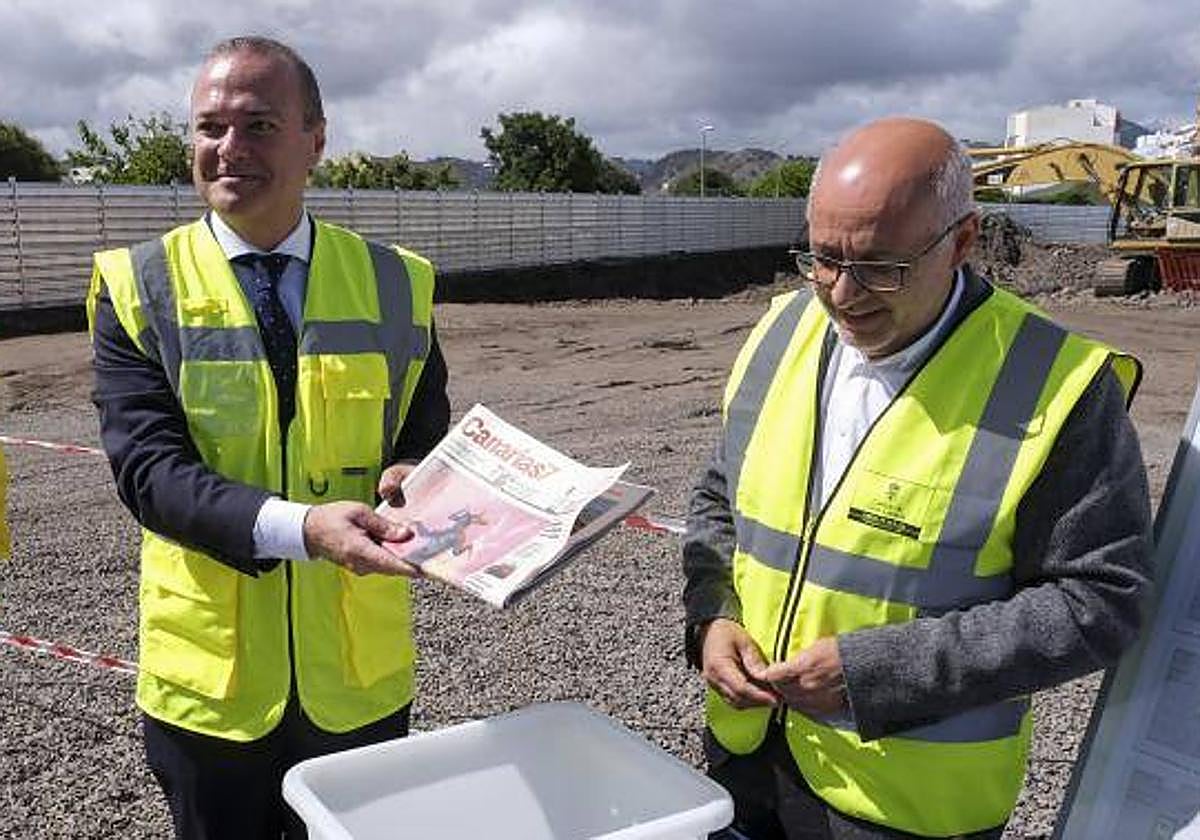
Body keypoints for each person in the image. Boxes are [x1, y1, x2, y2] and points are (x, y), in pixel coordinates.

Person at [682, 117, 1153, 839]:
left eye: (881, 266)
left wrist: (877, 672)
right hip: (746, 763)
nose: (842, 294)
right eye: (823, 258)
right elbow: (722, 496)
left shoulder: (1055, 387)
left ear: (962, 241)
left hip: (904, 807)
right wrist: (713, 615)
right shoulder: (782, 331)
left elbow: (1100, 600)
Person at [88, 36, 450, 839]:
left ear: (315, 141)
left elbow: (424, 426)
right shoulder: (137, 285)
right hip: (212, 694)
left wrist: (413, 472)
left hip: (356, 682)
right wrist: (304, 529)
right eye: (210, 127)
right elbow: (149, 472)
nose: (229, 148)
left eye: (258, 125)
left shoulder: (398, 282)